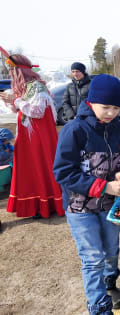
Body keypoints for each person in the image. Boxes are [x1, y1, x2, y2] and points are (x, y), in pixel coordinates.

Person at [53, 74, 120, 314]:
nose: (110, 112)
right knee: (93, 258)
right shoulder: (74, 130)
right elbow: (63, 172)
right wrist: (104, 186)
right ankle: (99, 307)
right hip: (80, 208)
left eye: (116, 107)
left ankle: (110, 282)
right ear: (91, 102)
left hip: (110, 205)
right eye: (105, 107)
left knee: (111, 249)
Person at [0, 53, 64, 218]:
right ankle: (35, 203)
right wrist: (12, 102)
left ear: (21, 71)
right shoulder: (27, 87)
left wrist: (15, 100)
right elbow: (23, 109)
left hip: (37, 139)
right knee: (30, 169)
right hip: (27, 137)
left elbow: (37, 111)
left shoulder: (36, 87)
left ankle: (46, 203)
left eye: (13, 71)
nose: (11, 74)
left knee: (39, 167)